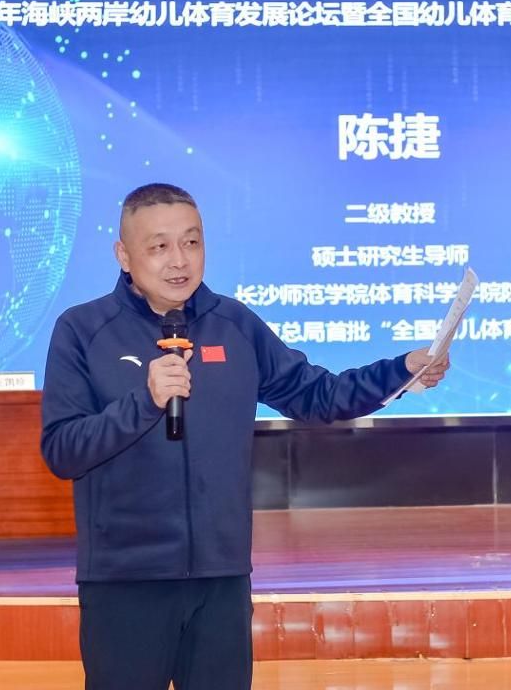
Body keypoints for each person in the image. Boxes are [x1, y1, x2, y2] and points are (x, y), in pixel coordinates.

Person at [41, 182, 450, 690]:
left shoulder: (234, 324)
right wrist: (143, 402)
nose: (179, 260)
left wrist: (401, 371)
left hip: (221, 579)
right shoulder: (82, 330)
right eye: (159, 246)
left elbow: (317, 395)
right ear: (124, 255)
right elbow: (62, 450)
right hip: (125, 580)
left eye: (192, 242)